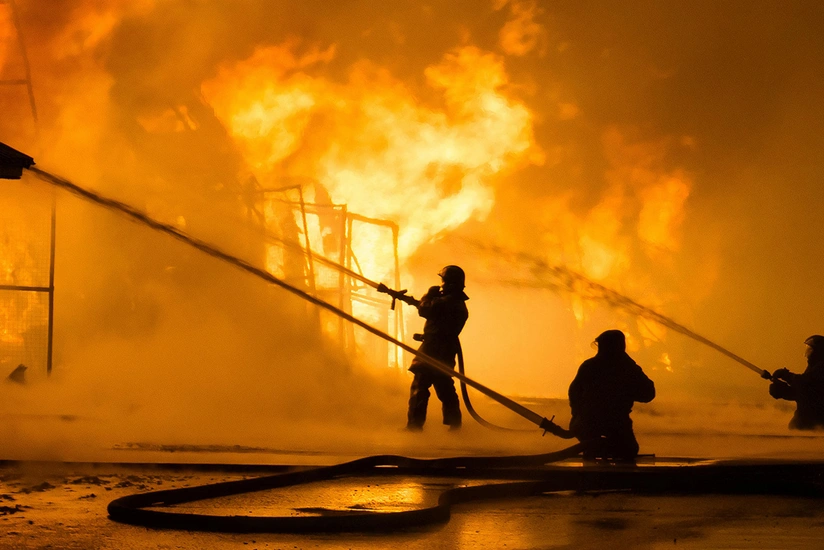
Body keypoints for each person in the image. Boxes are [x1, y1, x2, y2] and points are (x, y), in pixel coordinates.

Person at [380, 265, 469, 431]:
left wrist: (429, 293)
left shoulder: (448, 302)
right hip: (443, 350)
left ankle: (414, 426)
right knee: (445, 388)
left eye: (443, 280)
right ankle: (455, 425)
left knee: (420, 386)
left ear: (449, 283)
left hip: (433, 351)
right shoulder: (455, 303)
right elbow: (434, 316)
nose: (440, 284)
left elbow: (426, 309)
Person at [568, 330, 655, 461]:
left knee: (594, 448)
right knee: (629, 451)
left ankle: (594, 452)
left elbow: (574, 392)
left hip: (586, 423)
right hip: (613, 422)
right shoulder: (627, 368)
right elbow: (648, 393)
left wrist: (576, 415)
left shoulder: (589, 366)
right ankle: (602, 452)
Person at [769, 335, 824, 430]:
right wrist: (783, 391)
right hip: (805, 419)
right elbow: (804, 393)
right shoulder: (813, 367)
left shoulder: (821, 368)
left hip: (816, 421)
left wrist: (786, 375)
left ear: (818, 352)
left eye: (810, 350)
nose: (807, 353)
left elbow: (806, 383)